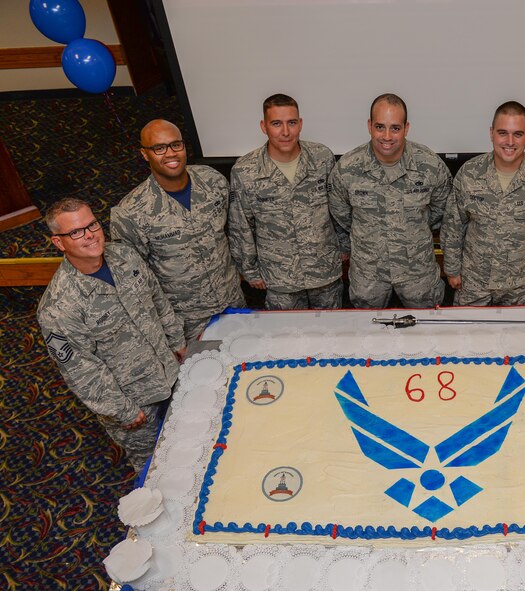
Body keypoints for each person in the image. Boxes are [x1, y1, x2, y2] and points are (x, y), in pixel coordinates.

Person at [38, 198, 185, 472]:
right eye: (75, 232)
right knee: (155, 468)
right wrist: (123, 411)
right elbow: (82, 372)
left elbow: (157, 298)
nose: (89, 234)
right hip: (136, 405)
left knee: (190, 441)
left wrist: (176, 341)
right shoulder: (58, 308)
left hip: (170, 372)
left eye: (91, 224)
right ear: (59, 243)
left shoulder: (125, 256)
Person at [111, 119, 245, 342]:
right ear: (145, 154)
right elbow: (136, 282)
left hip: (233, 302)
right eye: (159, 148)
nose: (170, 154)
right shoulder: (129, 213)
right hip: (188, 321)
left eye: (176, 145)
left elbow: (235, 230)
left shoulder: (213, 182)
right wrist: (169, 335)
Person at [328, 93, 450, 308]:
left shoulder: (429, 165)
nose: (387, 136)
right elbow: (342, 215)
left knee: (426, 334)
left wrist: (412, 233)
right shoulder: (347, 168)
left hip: (417, 273)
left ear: (406, 128)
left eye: (395, 128)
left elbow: (441, 210)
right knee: (368, 333)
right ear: (369, 125)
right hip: (369, 274)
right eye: (379, 127)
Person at [440, 101, 525, 306]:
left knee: (515, 337)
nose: (510, 141)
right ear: (491, 133)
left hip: (519, 285)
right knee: (469, 336)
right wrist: (452, 270)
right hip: (473, 283)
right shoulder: (469, 174)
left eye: (517, 134)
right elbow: (453, 226)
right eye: (502, 133)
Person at [228, 94, 344, 310]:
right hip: (280, 277)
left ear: (300, 124)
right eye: (276, 124)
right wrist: (250, 271)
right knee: (287, 338)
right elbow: (240, 225)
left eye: (291, 123)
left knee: (332, 335)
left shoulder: (322, 158)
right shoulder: (245, 171)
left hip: (325, 271)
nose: (285, 132)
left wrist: (344, 248)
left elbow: (338, 208)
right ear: (264, 126)